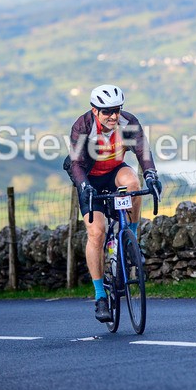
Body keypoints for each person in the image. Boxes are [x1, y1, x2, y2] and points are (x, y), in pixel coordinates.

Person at [64, 84, 162, 322]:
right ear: (95, 111)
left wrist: (151, 173)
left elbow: (143, 152)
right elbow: (76, 163)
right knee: (96, 233)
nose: (113, 116)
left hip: (115, 171)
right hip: (89, 178)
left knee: (133, 182)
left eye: (116, 109)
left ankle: (131, 234)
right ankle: (100, 296)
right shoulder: (83, 126)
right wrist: (84, 186)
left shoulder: (128, 123)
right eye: (107, 111)